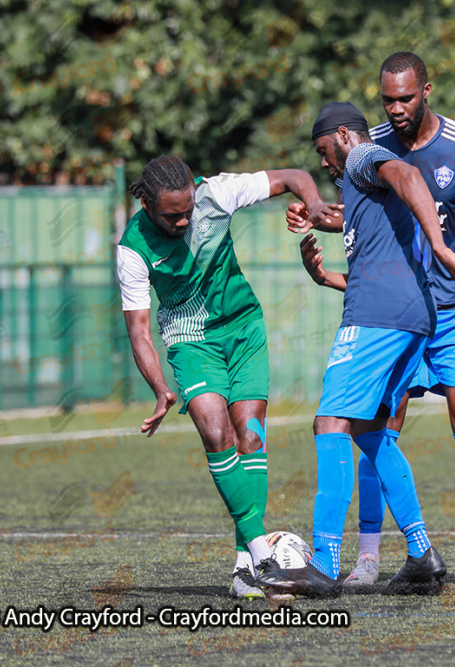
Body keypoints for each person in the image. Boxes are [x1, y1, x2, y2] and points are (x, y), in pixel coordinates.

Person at [292, 52, 455, 588]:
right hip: (406, 305)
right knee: (375, 427)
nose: (396, 108)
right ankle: (388, 556)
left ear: (427, 90)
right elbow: (364, 223)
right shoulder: (371, 146)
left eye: (405, 98)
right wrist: (315, 215)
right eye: (387, 99)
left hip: (449, 304)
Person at [116, 155, 339, 600]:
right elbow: (139, 330)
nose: (183, 220)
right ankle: (266, 556)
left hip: (244, 331)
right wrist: (159, 388)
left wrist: (313, 202)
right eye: (171, 215)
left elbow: (294, 177)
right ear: (146, 202)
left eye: (187, 210)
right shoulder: (132, 248)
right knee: (216, 432)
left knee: (251, 438)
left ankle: (244, 568)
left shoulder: (215, 193)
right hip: (191, 340)